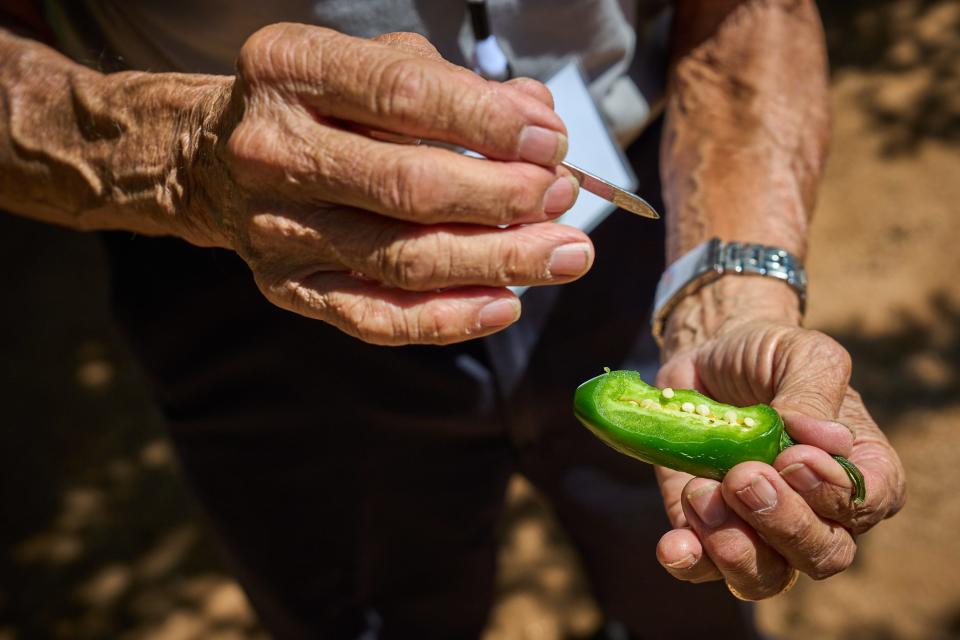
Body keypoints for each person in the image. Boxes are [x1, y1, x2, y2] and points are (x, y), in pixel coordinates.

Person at [0, 1, 905, 638]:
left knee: (687, 573)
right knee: (367, 607)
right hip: (259, 247)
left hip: (639, 229)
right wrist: (185, 153)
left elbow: (752, 10)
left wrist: (731, 283)